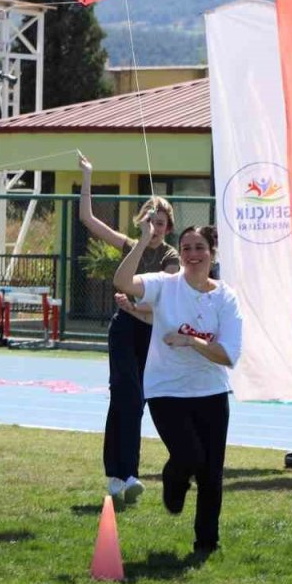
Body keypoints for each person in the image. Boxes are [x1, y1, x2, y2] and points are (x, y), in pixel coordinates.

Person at [113, 221, 243, 554]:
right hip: (166, 390)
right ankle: (173, 481)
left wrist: (191, 340)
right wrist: (142, 241)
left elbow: (227, 355)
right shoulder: (164, 285)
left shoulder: (226, 298)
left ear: (212, 253)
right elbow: (122, 282)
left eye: (200, 247)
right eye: (186, 248)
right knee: (189, 455)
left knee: (211, 473)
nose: (193, 254)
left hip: (211, 391)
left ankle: (206, 543)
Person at [78, 152, 180, 503]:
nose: (157, 228)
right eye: (152, 221)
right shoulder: (132, 243)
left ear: (169, 227)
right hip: (124, 331)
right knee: (126, 397)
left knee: (134, 404)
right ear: (143, 222)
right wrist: (88, 176)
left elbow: (156, 306)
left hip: (149, 332)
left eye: (163, 223)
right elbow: (88, 219)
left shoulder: (171, 258)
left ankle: (122, 475)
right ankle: (123, 476)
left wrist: (135, 306)